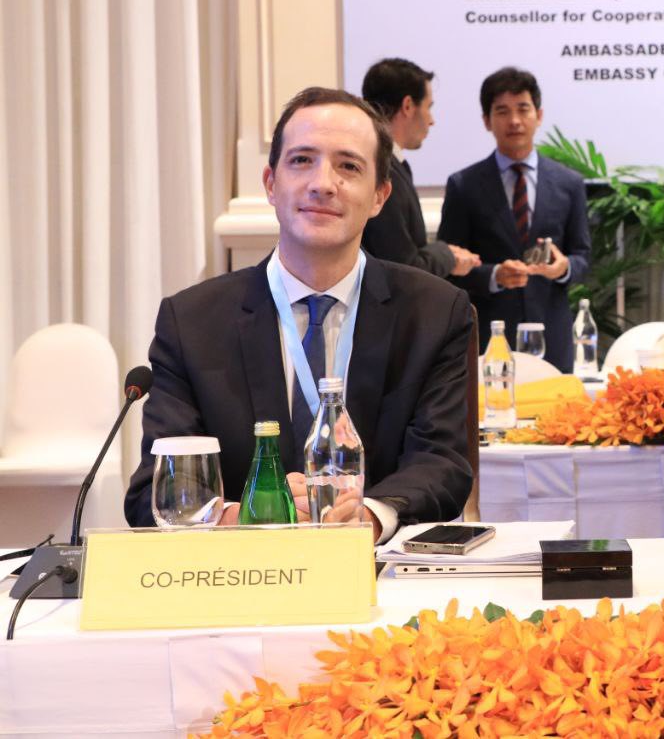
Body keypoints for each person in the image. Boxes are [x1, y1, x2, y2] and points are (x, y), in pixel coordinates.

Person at [124, 87, 474, 540]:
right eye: (302, 160)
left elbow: (442, 464)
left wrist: (367, 517)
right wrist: (245, 517)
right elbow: (156, 489)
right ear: (271, 184)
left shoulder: (434, 313)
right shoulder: (192, 322)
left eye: (348, 167)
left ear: (379, 196)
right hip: (242, 571)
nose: (322, 183)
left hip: (374, 567)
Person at [437, 67, 590, 372]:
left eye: (523, 109)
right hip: (490, 337)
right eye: (502, 111)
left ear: (539, 115)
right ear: (487, 120)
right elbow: (448, 265)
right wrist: (495, 275)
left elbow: (583, 257)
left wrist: (563, 268)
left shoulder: (569, 183)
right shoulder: (464, 185)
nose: (515, 120)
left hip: (552, 334)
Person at [359, 58, 479, 278]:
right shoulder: (382, 169)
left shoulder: (388, 164)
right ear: (407, 106)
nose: (431, 120)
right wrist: (447, 255)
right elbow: (402, 268)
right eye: (428, 107)